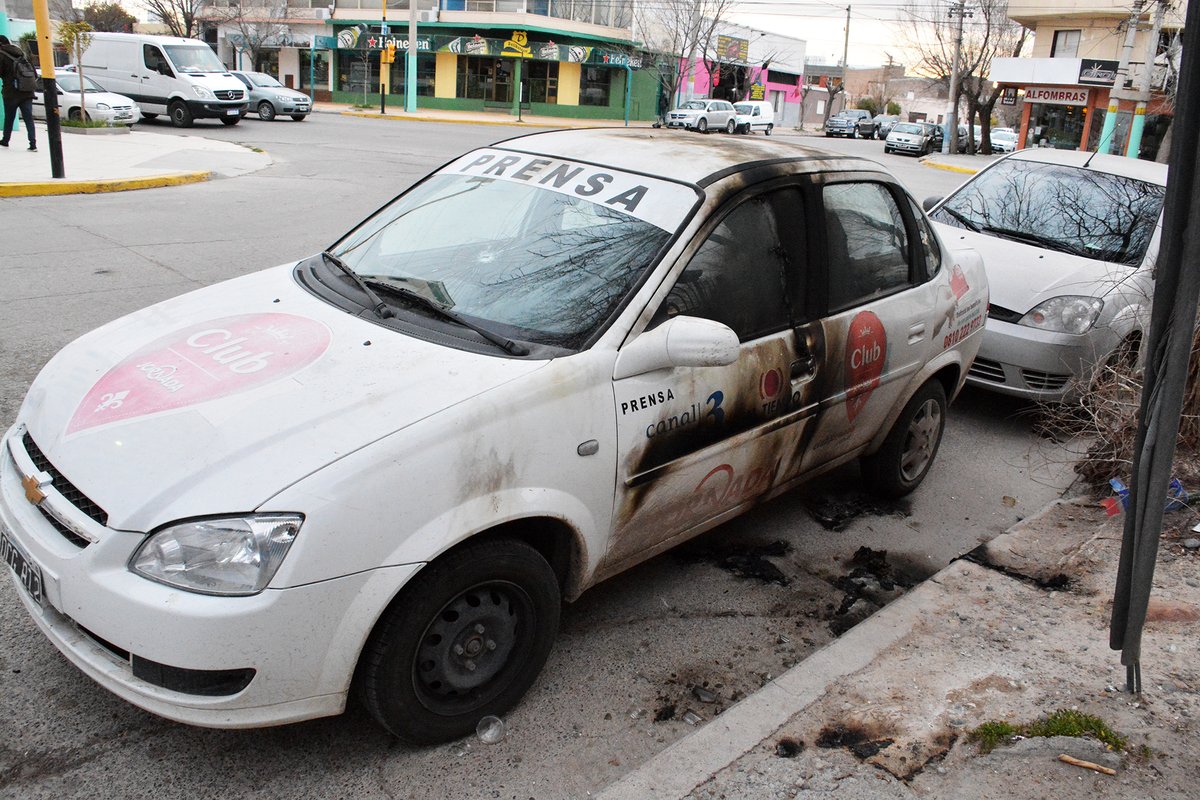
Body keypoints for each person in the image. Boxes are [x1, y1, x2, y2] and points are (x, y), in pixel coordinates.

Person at [0, 34, 37, 151]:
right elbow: (34, 72)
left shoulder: (1, 55)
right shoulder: (21, 53)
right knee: (28, 118)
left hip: (11, 92)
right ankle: (33, 143)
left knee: (9, 117)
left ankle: (5, 140)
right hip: (27, 91)